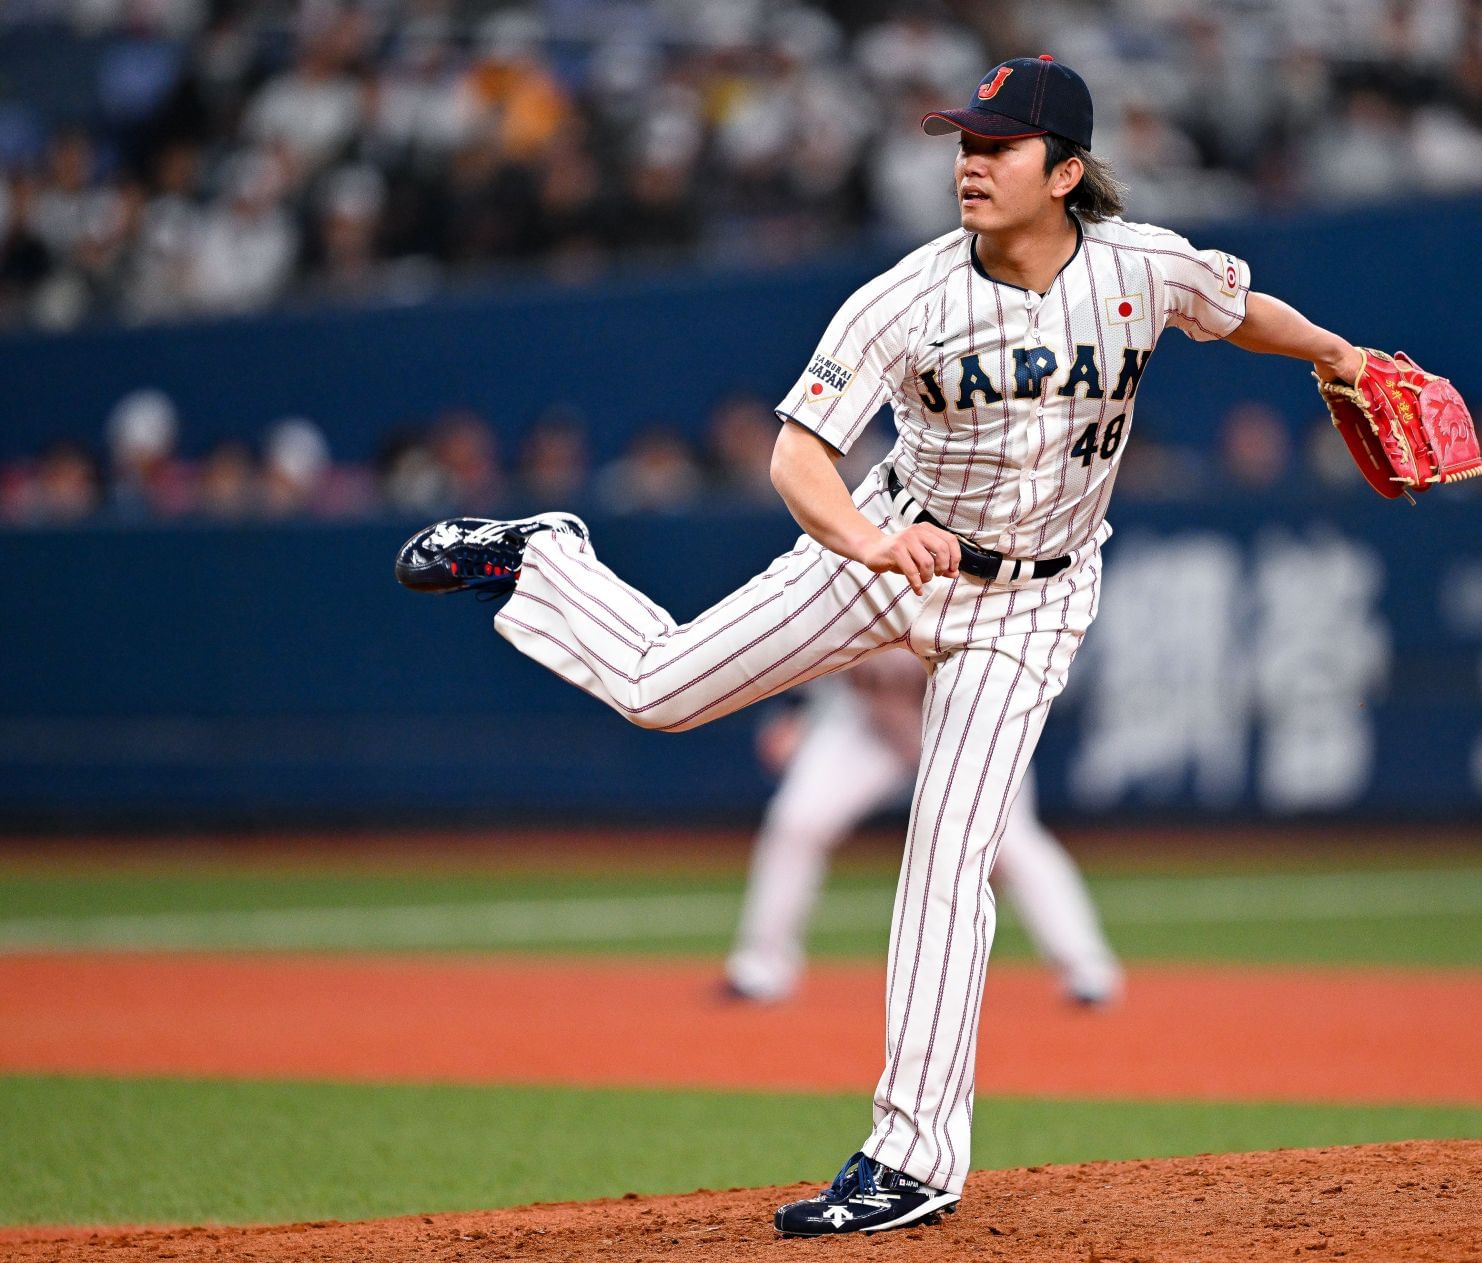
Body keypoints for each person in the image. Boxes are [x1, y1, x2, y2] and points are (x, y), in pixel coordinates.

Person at [394, 55, 1371, 1237]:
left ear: (1065, 172)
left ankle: (911, 1161)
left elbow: (1238, 307)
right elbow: (798, 455)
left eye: (998, 146)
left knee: (952, 857)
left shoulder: (1142, 268)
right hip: (882, 550)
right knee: (659, 689)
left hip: (1033, 604)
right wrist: (867, 541)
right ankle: (548, 554)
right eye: (965, 142)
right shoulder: (904, 298)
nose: (970, 163)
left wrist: (1341, 357)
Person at [725, 647, 1121, 1007]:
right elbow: (818, 632)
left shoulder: (968, 598)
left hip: (965, 728)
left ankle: (1085, 966)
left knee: (1011, 841)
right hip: (874, 723)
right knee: (799, 821)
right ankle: (762, 965)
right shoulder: (860, 588)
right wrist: (795, 711)